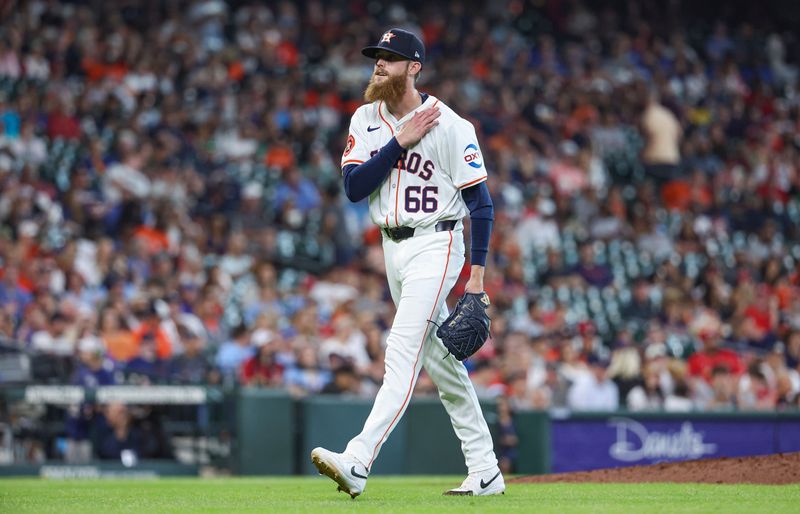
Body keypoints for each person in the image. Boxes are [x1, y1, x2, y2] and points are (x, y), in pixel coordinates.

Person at [310, 28, 504, 498]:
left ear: (414, 67)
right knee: (440, 361)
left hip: (437, 244)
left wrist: (474, 282)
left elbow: (481, 205)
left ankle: (358, 460)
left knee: (402, 349)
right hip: (392, 248)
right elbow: (355, 189)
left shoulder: (450, 125)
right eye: (377, 56)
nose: (379, 64)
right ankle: (485, 469)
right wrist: (399, 142)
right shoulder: (364, 118)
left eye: (391, 58)